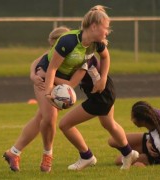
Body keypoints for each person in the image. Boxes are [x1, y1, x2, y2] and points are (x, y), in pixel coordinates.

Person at [45, 5, 139, 171]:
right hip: (104, 91)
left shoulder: (94, 43)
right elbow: (53, 68)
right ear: (94, 26)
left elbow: (104, 58)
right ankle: (128, 153)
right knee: (109, 124)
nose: (108, 31)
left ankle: (86, 156)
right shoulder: (75, 42)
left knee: (65, 125)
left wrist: (102, 78)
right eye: (106, 27)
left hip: (101, 93)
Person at [3, 26, 87, 172]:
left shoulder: (81, 57)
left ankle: (14, 152)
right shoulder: (56, 52)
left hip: (58, 84)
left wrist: (48, 74)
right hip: (43, 83)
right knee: (50, 117)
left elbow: (71, 84)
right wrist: (34, 76)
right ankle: (47, 155)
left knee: (41, 118)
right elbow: (37, 61)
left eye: (54, 45)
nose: (52, 49)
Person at [108, 101, 160, 166]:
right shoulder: (154, 113)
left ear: (143, 121)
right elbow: (157, 132)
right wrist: (149, 140)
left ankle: (142, 161)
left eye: (133, 118)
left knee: (118, 161)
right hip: (151, 141)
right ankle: (134, 155)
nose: (131, 120)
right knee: (112, 140)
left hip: (155, 155)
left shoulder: (159, 141)